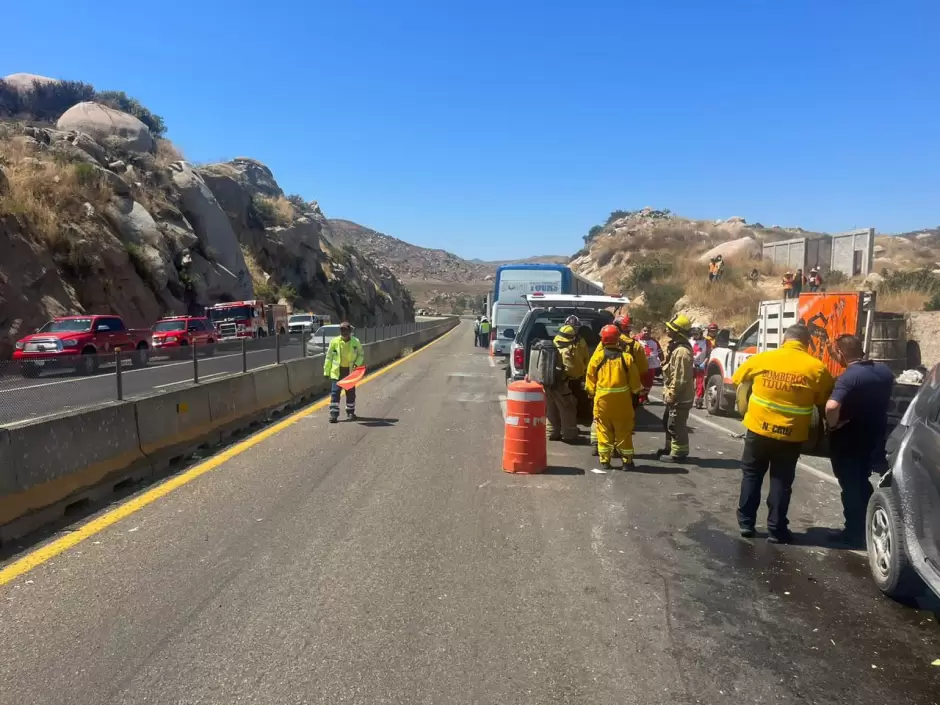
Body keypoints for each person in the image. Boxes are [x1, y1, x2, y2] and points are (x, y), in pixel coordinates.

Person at [732, 324, 835, 542]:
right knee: (781, 480)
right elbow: (822, 399)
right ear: (807, 344)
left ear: (784, 339)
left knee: (751, 474)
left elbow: (737, 380)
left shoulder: (763, 359)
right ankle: (776, 530)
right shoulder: (816, 368)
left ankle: (746, 524)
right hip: (791, 435)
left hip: (758, 429)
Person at [825, 334, 894, 546]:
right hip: (874, 435)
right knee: (862, 481)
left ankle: (854, 531)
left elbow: (832, 406)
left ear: (840, 353)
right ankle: (867, 526)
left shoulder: (849, 377)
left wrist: (833, 425)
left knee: (850, 484)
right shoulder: (884, 372)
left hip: (849, 438)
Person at [586, 324, 643, 470]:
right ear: (617, 339)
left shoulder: (597, 358)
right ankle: (627, 462)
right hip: (622, 403)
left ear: (603, 340)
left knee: (604, 430)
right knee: (623, 431)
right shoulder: (627, 358)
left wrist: (591, 393)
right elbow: (635, 384)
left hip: (602, 402)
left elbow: (590, 381)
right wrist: (637, 392)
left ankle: (605, 461)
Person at [658, 314, 695, 462]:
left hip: (679, 397)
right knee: (668, 422)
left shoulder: (681, 352)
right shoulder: (676, 347)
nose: (667, 330)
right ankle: (669, 448)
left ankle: (679, 453)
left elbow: (680, 378)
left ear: (678, 331)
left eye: (671, 328)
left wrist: (672, 394)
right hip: (674, 395)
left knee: (675, 424)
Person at [542, 323, 581, 442]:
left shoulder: (549, 348)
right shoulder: (565, 351)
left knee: (551, 409)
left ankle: (551, 432)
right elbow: (572, 370)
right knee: (568, 408)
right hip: (560, 385)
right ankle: (569, 435)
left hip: (547, 384)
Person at [324, 321, 365, 423]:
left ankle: (350, 412)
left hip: (350, 372)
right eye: (342, 330)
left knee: (350, 393)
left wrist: (356, 365)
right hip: (337, 372)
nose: (344, 332)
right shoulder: (334, 342)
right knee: (335, 393)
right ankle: (333, 414)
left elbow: (361, 355)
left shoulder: (356, 342)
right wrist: (326, 371)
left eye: (346, 330)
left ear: (350, 331)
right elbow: (328, 357)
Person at [561, 315, 592, 425]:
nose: (574, 330)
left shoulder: (581, 342)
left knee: (578, 399)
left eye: (576, 328)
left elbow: (586, 358)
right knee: (565, 402)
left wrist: (587, 374)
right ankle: (567, 422)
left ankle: (579, 417)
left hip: (577, 377)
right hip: (562, 377)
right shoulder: (558, 341)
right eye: (572, 327)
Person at [636, 326, 661, 405]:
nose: (646, 333)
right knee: (639, 383)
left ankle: (644, 396)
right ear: (641, 331)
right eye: (645, 331)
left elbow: (660, 352)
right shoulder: (635, 340)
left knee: (648, 383)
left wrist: (663, 361)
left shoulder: (654, 342)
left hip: (651, 366)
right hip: (639, 366)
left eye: (648, 331)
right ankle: (639, 398)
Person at [690, 326, 711, 409]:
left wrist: (704, 363)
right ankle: (687, 399)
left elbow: (709, 353)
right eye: (693, 334)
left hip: (701, 365)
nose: (694, 336)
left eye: (696, 334)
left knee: (700, 383)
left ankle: (699, 400)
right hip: (690, 365)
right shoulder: (690, 340)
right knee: (688, 383)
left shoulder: (706, 342)